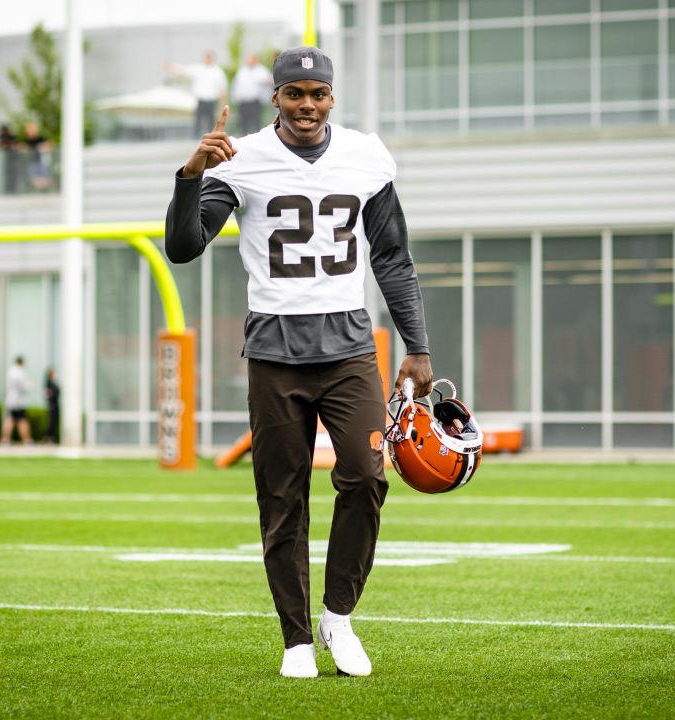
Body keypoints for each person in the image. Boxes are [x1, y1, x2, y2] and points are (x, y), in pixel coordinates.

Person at [164, 46, 432, 679]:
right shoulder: (243, 158)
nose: (306, 106)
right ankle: (296, 639)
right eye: (294, 94)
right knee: (282, 500)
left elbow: (392, 257)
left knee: (366, 476)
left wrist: (417, 346)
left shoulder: (365, 154)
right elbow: (182, 248)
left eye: (317, 94)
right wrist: (191, 174)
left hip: (347, 350)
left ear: (332, 96)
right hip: (275, 352)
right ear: (276, 98)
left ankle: (338, 615)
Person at [163, 52, 228, 137]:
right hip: (200, 101)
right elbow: (183, 71)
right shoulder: (199, 69)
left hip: (211, 101)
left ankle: (210, 139)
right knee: (198, 122)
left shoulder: (217, 71)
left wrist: (224, 104)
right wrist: (170, 66)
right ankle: (195, 138)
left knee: (210, 122)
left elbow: (222, 89)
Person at [231, 53, 272, 135]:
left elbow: (269, 82)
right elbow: (236, 85)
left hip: (256, 102)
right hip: (243, 102)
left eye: (251, 59)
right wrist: (235, 98)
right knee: (243, 122)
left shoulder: (262, 71)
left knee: (256, 122)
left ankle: (256, 139)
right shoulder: (242, 71)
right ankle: (244, 137)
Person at [0, 356, 33, 446]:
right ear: (21, 362)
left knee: (11, 420)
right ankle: (26, 441)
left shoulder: (12, 371)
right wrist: (29, 385)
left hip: (13, 401)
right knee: (21, 420)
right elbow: (22, 385)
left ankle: (5, 440)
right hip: (17, 402)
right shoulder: (18, 372)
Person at [23, 121, 53, 191]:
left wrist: (43, 146)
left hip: (41, 161)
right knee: (34, 180)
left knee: (45, 179)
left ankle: (43, 189)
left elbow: (49, 144)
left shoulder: (40, 138)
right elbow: (25, 149)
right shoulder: (27, 140)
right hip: (32, 162)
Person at [0, 124, 20, 194]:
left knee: (13, 174)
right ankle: (7, 188)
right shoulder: (1, 137)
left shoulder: (13, 137)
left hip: (13, 158)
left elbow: (16, 146)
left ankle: (14, 189)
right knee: (6, 173)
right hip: (6, 159)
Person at [44, 368, 60, 444]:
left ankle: (52, 437)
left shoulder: (52, 383)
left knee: (54, 421)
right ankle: (49, 438)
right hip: (52, 405)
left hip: (55, 404)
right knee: (51, 422)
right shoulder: (49, 384)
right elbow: (48, 394)